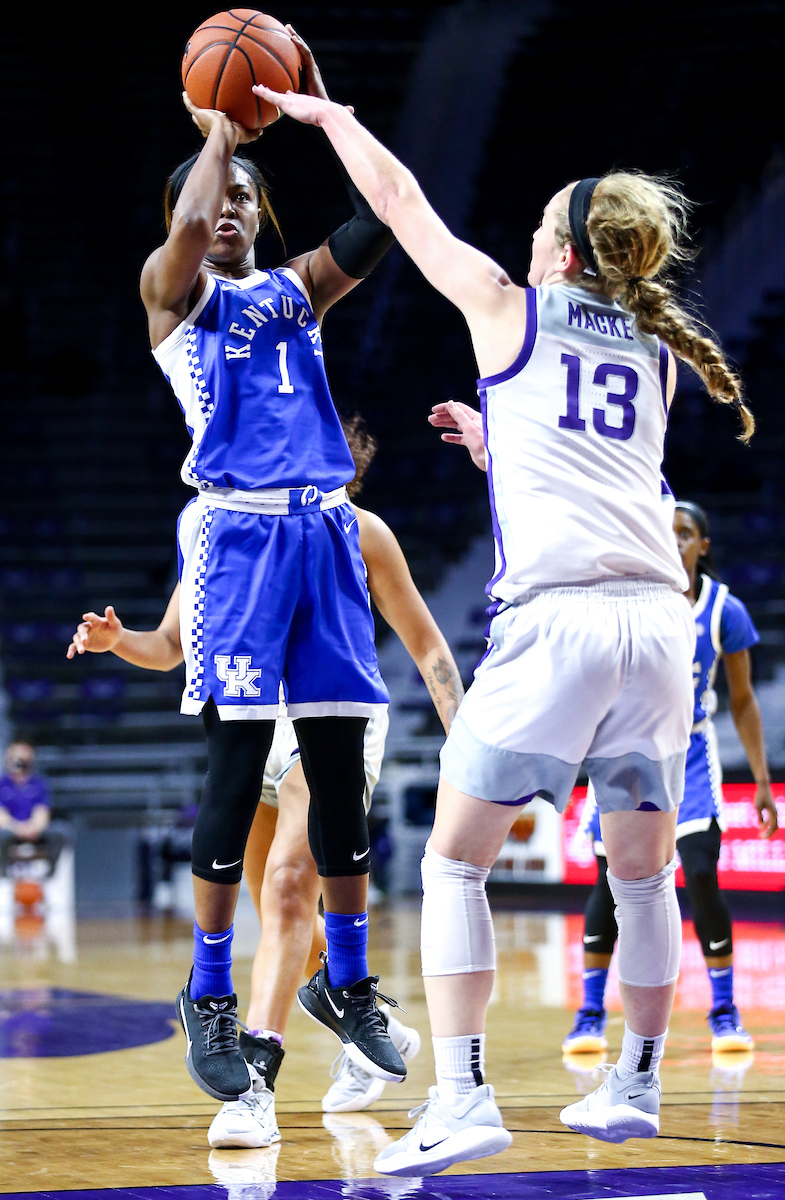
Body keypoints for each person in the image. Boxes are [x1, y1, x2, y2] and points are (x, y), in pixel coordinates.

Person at [253, 78, 755, 1174]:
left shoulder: (500, 303)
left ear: (567, 256)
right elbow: (604, 465)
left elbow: (398, 201)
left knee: (453, 866)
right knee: (641, 874)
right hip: (657, 634)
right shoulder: (657, 358)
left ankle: (463, 1095)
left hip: (559, 627)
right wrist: (497, 442)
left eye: (537, 235)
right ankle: (631, 1083)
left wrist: (334, 123)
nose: (523, 247)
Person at [67, 417, 464, 1148]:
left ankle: (255, 1082)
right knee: (279, 913)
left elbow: (427, 643)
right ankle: (382, 1029)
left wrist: (463, 735)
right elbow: (169, 648)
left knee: (286, 888)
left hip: (332, 718)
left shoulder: (361, 532)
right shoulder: (229, 529)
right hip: (256, 719)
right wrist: (118, 640)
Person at [139, 28, 402, 1104]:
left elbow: (382, 221)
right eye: (219, 196)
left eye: (250, 192)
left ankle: (344, 983)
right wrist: (214, 134)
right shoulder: (175, 298)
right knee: (236, 766)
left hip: (324, 533)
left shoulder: (296, 290)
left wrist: (331, 117)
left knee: (337, 774)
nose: (232, 207)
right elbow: (191, 229)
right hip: (240, 540)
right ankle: (207, 996)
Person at [563, 499, 777, 1057]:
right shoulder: (631, 597)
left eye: (686, 533)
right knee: (610, 881)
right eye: (667, 531)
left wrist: (760, 781)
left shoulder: (723, 609)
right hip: (626, 750)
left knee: (702, 874)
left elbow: (745, 700)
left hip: (692, 752)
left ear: (702, 545)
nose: (675, 540)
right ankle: (589, 1015)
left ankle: (725, 1010)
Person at [0, 742, 66, 877]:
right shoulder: (3, 784)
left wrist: (34, 828)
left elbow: (42, 812)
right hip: (11, 830)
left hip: (34, 830)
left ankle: (50, 873)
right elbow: (2, 815)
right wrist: (18, 829)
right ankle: (3, 874)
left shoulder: (38, 784)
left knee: (60, 831)